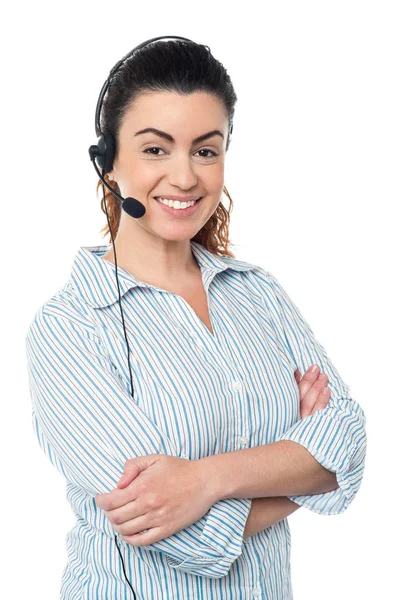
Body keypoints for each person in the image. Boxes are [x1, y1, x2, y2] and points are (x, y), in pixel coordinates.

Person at [25, 38, 367, 600]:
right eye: (156, 150)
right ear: (109, 163)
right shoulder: (70, 327)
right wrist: (307, 473)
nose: (185, 177)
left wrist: (202, 481)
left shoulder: (259, 294)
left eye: (205, 150)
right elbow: (168, 528)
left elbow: (349, 443)